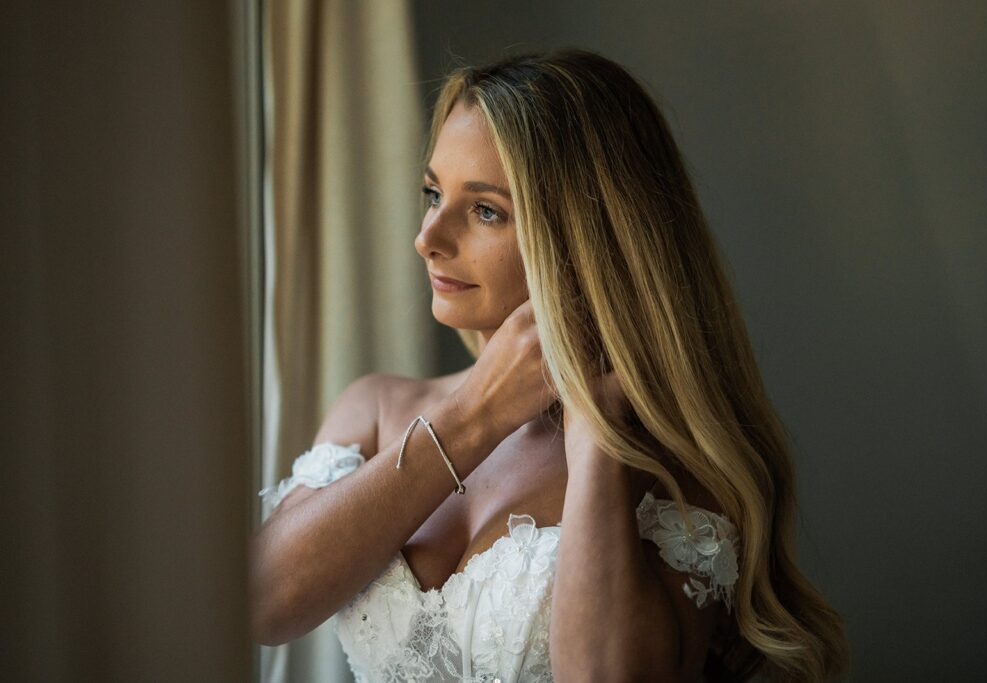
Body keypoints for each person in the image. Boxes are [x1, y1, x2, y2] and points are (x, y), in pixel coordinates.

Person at [250, 48, 850, 682]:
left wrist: (596, 433)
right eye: (433, 193)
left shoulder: (674, 465)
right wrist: (477, 412)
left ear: (584, 236)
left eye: (485, 210)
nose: (428, 236)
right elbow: (262, 604)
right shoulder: (374, 410)